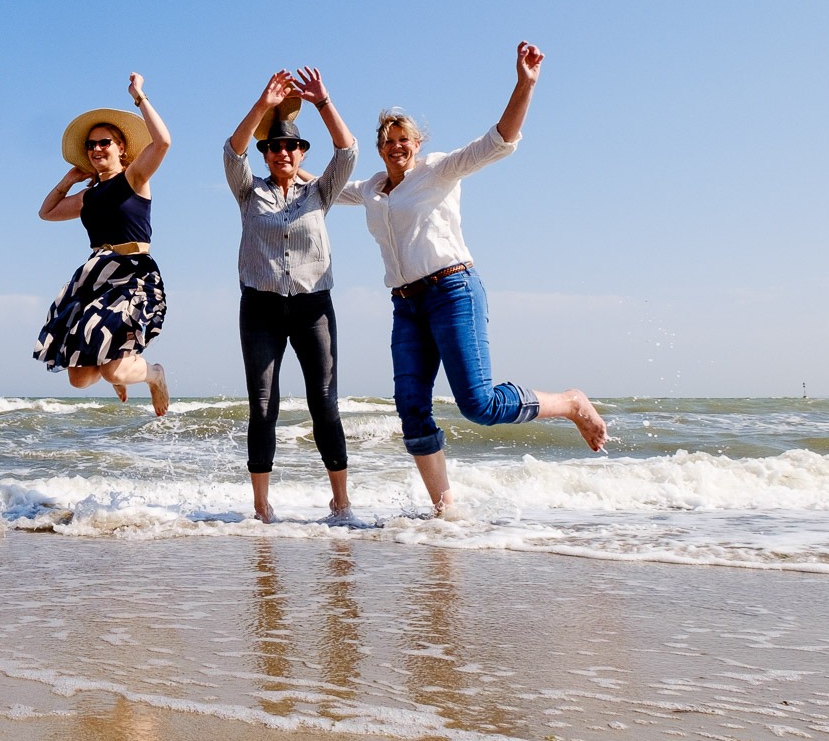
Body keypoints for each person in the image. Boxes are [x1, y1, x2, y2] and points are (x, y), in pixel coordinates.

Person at [338, 42, 607, 513]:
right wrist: (280, 153)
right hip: (406, 305)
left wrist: (524, 84)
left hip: (452, 291)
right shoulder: (371, 190)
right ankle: (446, 511)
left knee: (478, 404)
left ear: (416, 144)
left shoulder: (439, 169)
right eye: (388, 141)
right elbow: (319, 188)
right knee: (412, 410)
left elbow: (499, 140)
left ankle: (568, 402)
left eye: (404, 139)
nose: (396, 146)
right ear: (379, 148)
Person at [225, 68, 358, 524]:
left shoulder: (320, 191)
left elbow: (348, 150)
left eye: (291, 146)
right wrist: (263, 104)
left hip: (312, 308)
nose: (283, 152)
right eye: (275, 147)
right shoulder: (249, 192)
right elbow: (231, 149)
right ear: (266, 154)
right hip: (260, 308)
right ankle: (261, 506)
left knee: (324, 400)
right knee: (263, 405)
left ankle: (340, 500)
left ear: (301, 152)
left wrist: (323, 102)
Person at [35, 74, 172, 414]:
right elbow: (46, 212)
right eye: (91, 145)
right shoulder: (88, 197)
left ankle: (154, 374)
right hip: (96, 281)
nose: (97, 149)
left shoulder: (134, 178)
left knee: (113, 367)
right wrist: (68, 179)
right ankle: (118, 372)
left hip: (134, 276)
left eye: (105, 142)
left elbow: (163, 142)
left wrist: (139, 98)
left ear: (121, 147)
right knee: (78, 379)